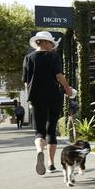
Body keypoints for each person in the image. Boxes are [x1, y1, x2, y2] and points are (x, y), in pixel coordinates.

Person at [22, 31, 73, 175]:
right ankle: (51, 164)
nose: (52, 46)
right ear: (44, 42)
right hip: (53, 95)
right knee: (51, 128)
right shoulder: (53, 57)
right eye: (51, 43)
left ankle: (39, 151)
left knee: (40, 131)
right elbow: (59, 75)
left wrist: (31, 97)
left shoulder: (28, 58)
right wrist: (67, 88)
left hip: (37, 97)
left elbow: (26, 82)